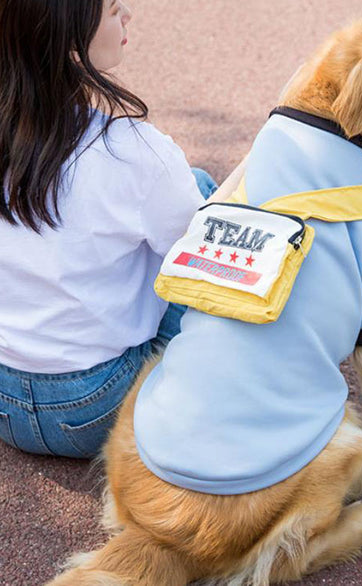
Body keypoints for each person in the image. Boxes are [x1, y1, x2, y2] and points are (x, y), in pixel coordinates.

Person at [0, 0, 242, 458]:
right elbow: (199, 262)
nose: (128, 14)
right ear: (69, 41)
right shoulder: (133, 151)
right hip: (101, 410)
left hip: (5, 403)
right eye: (113, 10)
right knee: (203, 202)